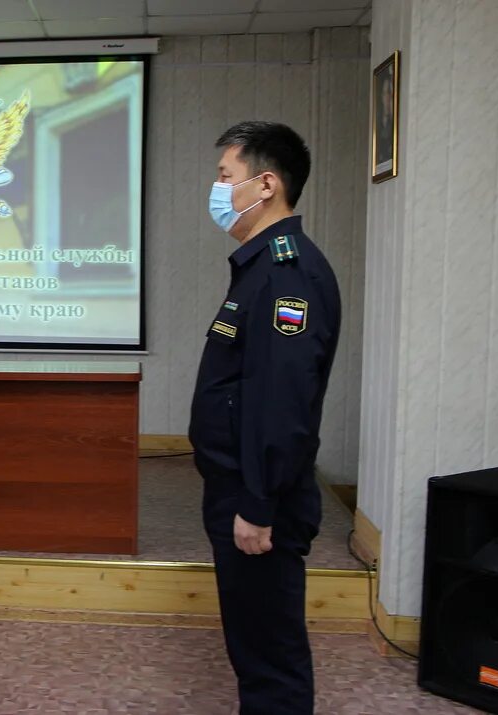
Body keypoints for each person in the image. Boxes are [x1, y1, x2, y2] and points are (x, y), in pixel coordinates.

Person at [189, 121, 341, 715]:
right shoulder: (263, 267)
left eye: (226, 177)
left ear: (266, 183)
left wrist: (257, 502)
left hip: (259, 498)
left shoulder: (287, 273)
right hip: (243, 487)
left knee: (269, 655)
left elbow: (282, 404)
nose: (218, 188)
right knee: (253, 643)